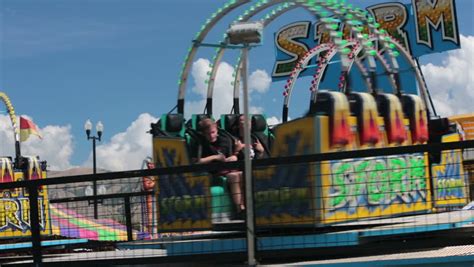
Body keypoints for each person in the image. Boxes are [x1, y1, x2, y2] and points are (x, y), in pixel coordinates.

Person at [195, 118, 246, 214]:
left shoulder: (225, 140)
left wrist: (234, 156)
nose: (211, 136)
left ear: (217, 130)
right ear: (203, 134)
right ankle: (240, 210)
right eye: (208, 134)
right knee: (234, 176)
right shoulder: (200, 144)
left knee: (243, 174)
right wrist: (215, 157)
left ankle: (245, 207)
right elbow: (197, 162)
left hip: (228, 169)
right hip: (212, 173)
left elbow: (230, 155)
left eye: (213, 132)